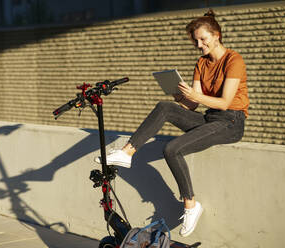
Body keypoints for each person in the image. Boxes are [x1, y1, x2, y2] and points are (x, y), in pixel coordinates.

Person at [95, 9, 249, 237]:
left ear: (216, 35)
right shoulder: (201, 63)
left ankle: (191, 205)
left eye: (203, 39)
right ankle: (128, 152)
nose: (199, 45)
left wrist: (196, 98)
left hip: (231, 122)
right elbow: (194, 105)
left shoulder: (233, 60)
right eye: (196, 41)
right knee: (165, 107)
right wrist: (180, 97)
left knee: (172, 149)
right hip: (209, 118)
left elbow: (226, 102)